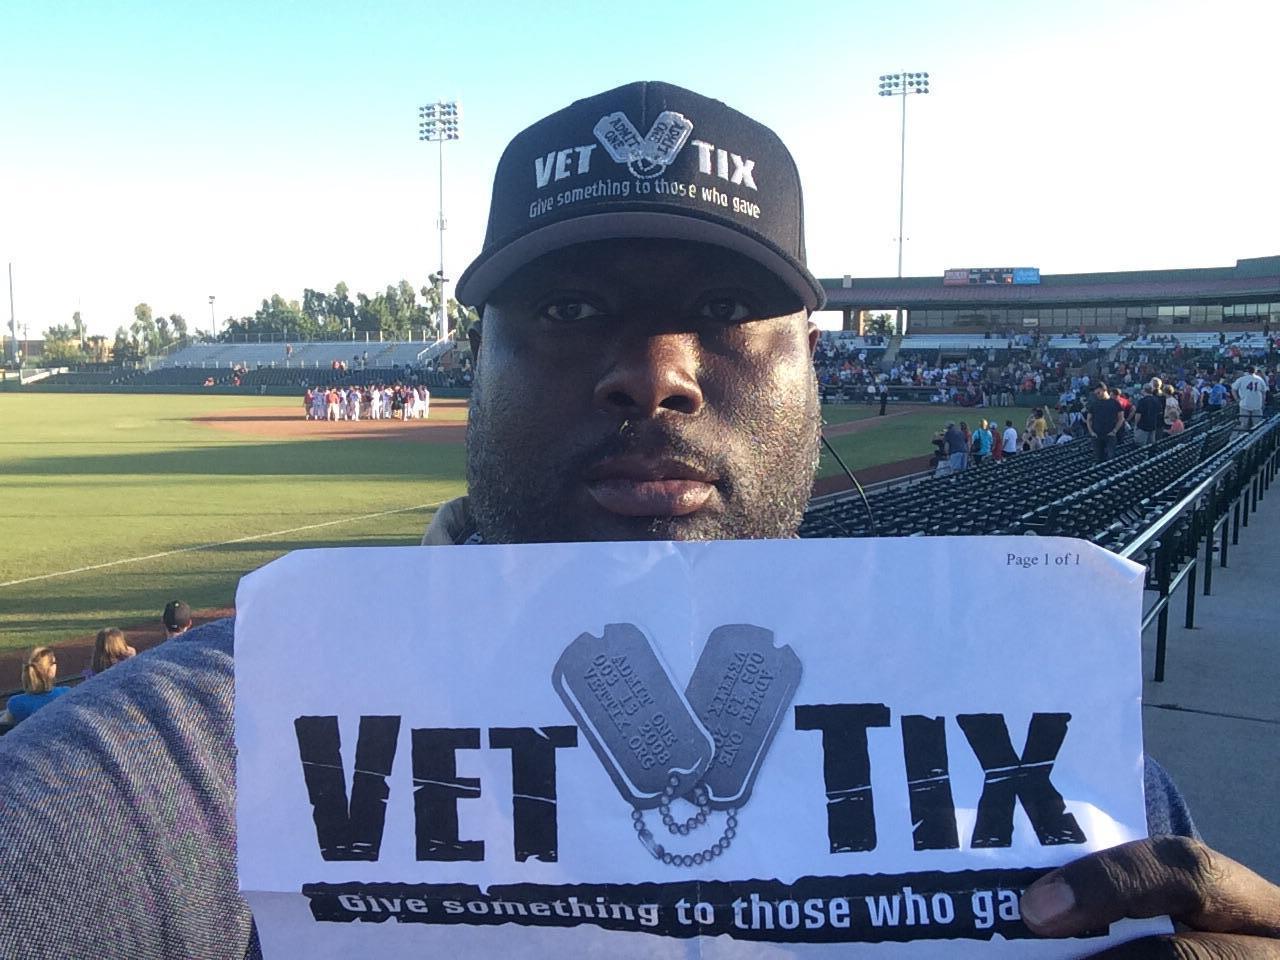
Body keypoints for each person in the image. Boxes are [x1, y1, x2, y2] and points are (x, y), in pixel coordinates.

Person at [0, 79, 1276, 960]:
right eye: (567, 311)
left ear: (811, 366)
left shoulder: (1048, 747)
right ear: (474, 369)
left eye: (723, 309)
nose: (654, 372)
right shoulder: (229, 733)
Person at [0, 647, 68, 726]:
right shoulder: (66, 693)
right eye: (54, 662)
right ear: (51, 670)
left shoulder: (16, 703)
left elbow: (3, 725)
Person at [1086, 383, 1124, 463]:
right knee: (1098, 459)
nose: (1097, 395)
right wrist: (1091, 432)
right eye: (1096, 394)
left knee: (1110, 459)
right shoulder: (1094, 404)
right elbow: (1088, 419)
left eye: (1098, 393)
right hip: (1097, 436)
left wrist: (1114, 431)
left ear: (1104, 390)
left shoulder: (1115, 403)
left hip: (1110, 435)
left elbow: (1121, 418)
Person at [1232, 365, 1269, 430]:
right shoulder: (1260, 379)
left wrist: (1237, 399)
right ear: (1255, 371)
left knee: (1244, 425)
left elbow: (1233, 389)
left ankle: (1244, 435)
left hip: (1245, 404)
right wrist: (1263, 403)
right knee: (1257, 426)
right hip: (1257, 404)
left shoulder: (1241, 379)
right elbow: (1264, 392)